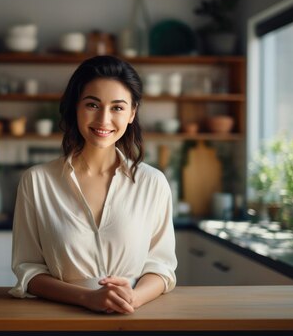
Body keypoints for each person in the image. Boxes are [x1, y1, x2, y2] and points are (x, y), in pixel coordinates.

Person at [9, 55, 177, 314]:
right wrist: (87, 298)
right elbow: (28, 270)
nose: (103, 119)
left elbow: (161, 267)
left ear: (132, 113)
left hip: (133, 319)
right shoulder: (36, 181)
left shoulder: (153, 183)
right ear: (75, 107)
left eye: (117, 108)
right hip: (58, 320)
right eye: (92, 104)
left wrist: (134, 297)